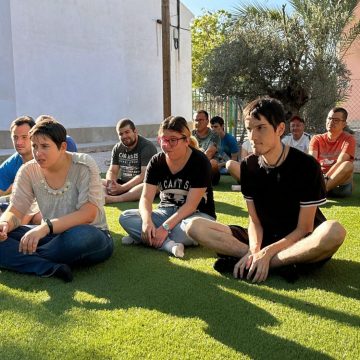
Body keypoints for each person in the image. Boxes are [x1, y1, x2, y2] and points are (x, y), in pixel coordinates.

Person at [186, 97, 345, 283]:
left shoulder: (307, 166)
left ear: (280, 129)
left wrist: (268, 253)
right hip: (263, 237)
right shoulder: (248, 166)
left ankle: (263, 263)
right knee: (194, 226)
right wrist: (255, 250)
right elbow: (254, 221)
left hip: (298, 241)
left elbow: (304, 228)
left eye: (260, 127)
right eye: (249, 129)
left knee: (334, 231)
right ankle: (258, 260)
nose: (252, 137)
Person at [0, 117, 113, 282]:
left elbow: (88, 214)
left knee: (80, 238)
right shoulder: (28, 170)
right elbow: (15, 210)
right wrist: (5, 224)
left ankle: (19, 256)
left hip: (90, 233)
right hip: (51, 237)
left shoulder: (83, 164)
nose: (38, 153)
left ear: (63, 147)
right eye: (34, 146)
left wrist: (45, 227)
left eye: (45, 146)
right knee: (5, 233)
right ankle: (48, 267)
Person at [119, 116, 216, 258]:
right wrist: (147, 222)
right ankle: (168, 245)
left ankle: (143, 237)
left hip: (196, 215)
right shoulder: (156, 161)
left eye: (173, 140)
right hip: (165, 212)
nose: (166, 145)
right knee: (125, 217)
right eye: (163, 140)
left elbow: (190, 206)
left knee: (192, 229)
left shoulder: (200, 161)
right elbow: (146, 198)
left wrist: (164, 227)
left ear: (186, 141)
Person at [103, 118, 157, 203]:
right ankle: (107, 194)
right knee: (97, 181)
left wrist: (123, 188)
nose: (124, 136)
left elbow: (144, 175)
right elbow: (112, 171)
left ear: (135, 131)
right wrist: (111, 184)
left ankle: (115, 199)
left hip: (140, 185)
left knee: (150, 186)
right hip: (123, 183)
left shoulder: (147, 147)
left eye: (127, 132)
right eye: (121, 134)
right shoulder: (117, 148)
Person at [309, 107, 356, 197]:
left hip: (339, 185)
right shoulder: (316, 138)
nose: (331, 122)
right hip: (319, 179)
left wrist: (325, 178)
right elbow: (312, 162)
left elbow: (341, 162)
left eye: (336, 120)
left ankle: (320, 192)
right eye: (329, 118)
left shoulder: (349, 139)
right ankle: (321, 191)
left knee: (348, 165)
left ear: (344, 124)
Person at [192, 110, 221, 185]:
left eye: (201, 120)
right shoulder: (190, 135)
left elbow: (209, 154)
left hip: (208, 169)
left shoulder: (214, 135)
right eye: (196, 120)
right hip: (193, 167)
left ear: (207, 121)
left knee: (213, 163)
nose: (198, 122)